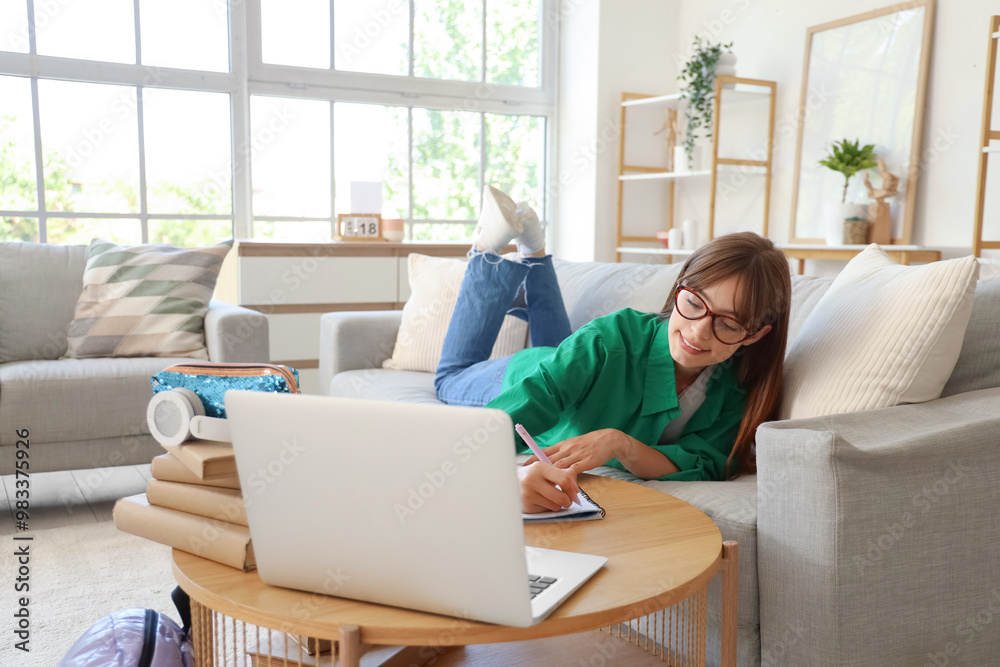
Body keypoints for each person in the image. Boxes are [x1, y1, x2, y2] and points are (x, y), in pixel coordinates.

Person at [436, 186, 791, 513]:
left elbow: (704, 463)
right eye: (694, 303)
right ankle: (486, 251)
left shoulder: (737, 389)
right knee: (448, 378)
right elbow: (518, 410)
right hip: (523, 373)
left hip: (574, 365)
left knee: (566, 351)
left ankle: (534, 247)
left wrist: (620, 444)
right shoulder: (612, 337)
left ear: (755, 335)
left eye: (728, 323)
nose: (699, 333)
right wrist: (506, 480)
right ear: (680, 286)